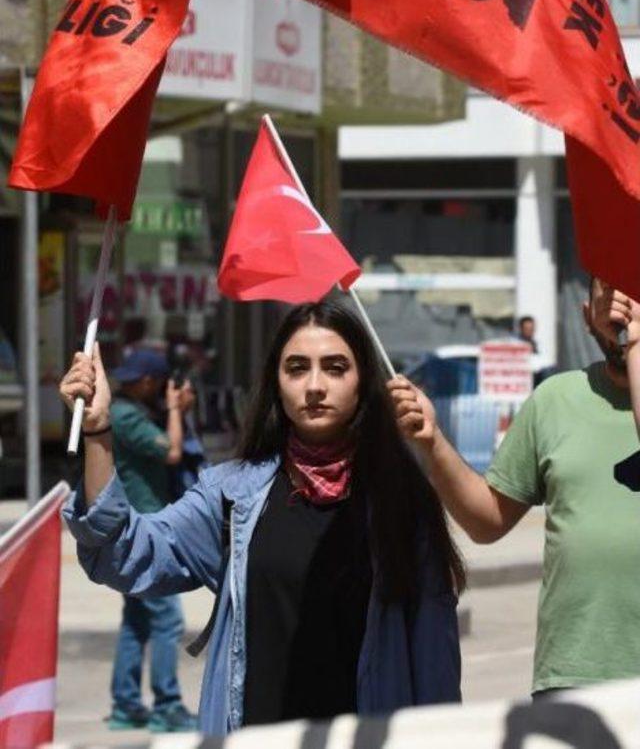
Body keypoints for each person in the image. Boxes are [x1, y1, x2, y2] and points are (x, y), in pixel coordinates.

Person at [60, 300, 464, 736]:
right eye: (296, 368)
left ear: (363, 380)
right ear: (276, 381)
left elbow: (435, 668)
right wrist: (98, 431)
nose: (314, 386)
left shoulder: (401, 502)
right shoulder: (233, 494)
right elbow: (122, 552)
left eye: (334, 367)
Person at [394, 277, 640, 696]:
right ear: (586, 317)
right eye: (609, 290)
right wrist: (433, 443)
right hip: (575, 678)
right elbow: (487, 520)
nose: (621, 304)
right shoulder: (555, 400)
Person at [64, 347, 198, 732]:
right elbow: (172, 452)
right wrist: (175, 411)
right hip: (143, 525)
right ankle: (167, 706)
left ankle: (126, 704)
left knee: (137, 621)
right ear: (151, 384)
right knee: (168, 619)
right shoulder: (124, 416)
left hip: (136, 523)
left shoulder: (129, 413)